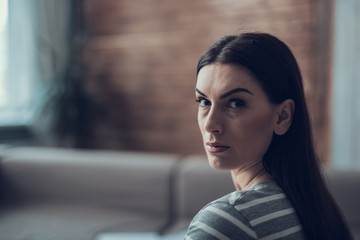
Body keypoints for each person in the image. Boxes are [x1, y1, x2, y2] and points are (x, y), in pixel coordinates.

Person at [184, 33, 353, 240]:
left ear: (282, 116)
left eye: (236, 103)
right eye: (203, 101)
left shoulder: (226, 220)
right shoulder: (313, 206)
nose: (210, 124)